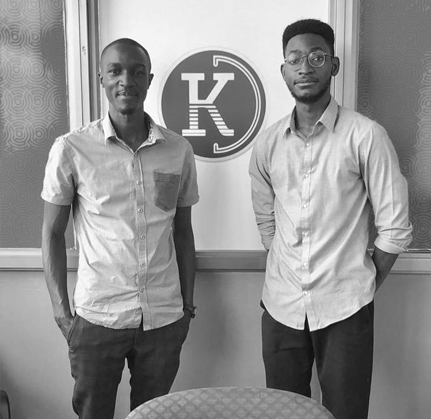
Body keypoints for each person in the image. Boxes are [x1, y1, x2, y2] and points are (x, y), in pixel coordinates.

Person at [249, 19, 412, 419]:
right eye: (295, 59)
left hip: (345, 307)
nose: (305, 67)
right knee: (283, 413)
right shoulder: (267, 144)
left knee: (346, 412)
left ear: (334, 65)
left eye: (317, 57)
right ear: (284, 70)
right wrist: (287, 267)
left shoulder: (366, 136)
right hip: (281, 306)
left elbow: (395, 228)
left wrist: (360, 282)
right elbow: (267, 223)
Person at [41, 38, 199, 419]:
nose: (126, 80)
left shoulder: (178, 150)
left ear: (149, 80)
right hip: (98, 317)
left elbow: (183, 232)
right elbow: (51, 234)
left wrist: (187, 306)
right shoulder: (72, 149)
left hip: (163, 317)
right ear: (101, 78)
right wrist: (63, 314)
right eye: (115, 71)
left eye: (137, 71)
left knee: (153, 415)